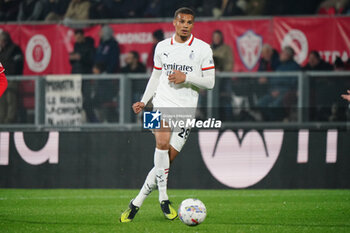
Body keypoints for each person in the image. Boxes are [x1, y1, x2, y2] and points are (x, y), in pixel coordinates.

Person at [120, 7, 215, 222]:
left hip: (186, 111)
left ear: (193, 25)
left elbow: (210, 82)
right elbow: (155, 76)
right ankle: (164, 197)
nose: (185, 25)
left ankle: (136, 202)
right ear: (174, 22)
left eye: (189, 22)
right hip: (160, 104)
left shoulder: (203, 49)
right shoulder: (162, 47)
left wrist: (187, 77)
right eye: (182, 21)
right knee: (161, 142)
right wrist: (144, 101)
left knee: (164, 164)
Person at [0, 31, 23, 124]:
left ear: (4, 40)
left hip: (12, 79)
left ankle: (9, 121)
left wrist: (7, 71)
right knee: (1, 100)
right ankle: (1, 119)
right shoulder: (2, 51)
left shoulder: (15, 49)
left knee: (11, 100)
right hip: (2, 79)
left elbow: (17, 64)